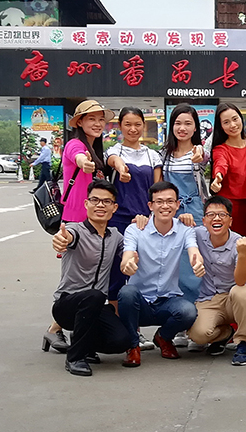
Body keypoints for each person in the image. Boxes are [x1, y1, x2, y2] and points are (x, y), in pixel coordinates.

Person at [44, 99, 114, 353]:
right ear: (80, 122)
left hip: (93, 222)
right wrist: (85, 163)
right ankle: (54, 329)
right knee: (73, 279)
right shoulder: (76, 145)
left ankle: (73, 328)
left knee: (89, 275)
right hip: (75, 223)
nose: (97, 123)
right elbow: (79, 157)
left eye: (100, 119)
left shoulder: (96, 149)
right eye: (91, 119)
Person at [117, 181, 205, 368]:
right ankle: (133, 346)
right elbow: (127, 256)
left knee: (188, 311)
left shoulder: (185, 230)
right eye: (159, 202)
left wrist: (197, 263)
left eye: (170, 201)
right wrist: (128, 265)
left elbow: (193, 250)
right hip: (140, 302)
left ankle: (163, 337)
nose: (165, 206)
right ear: (150, 205)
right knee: (127, 292)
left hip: (167, 300)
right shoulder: (135, 229)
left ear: (178, 204)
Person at [50, 179, 131, 376]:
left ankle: (83, 343)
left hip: (95, 308)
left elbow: (129, 252)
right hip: (67, 305)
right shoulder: (76, 230)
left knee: (121, 341)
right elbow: (66, 237)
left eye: (106, 201)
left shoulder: (115, 236)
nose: (100, 205)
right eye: (95, 200)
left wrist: (131, 258)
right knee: (94, 295)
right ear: (86, 204)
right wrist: (61, 240)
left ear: (114, 207)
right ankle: (75, 357)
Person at [104, 108, 163, 330]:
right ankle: (121, 328)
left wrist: (153, 217)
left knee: (141, 272)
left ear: (143, 126)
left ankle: (135, 327)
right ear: (120, 126)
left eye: (137, 124)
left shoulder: (152, 155)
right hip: (118, 220)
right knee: (117, 272)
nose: (133, 129)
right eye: (127, 124)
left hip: (144, 221)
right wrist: (121, 169)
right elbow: (114, 161)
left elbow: (157, 189)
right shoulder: (114, 150)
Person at [187, 195, 246, 366]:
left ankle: (243, 343)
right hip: (208, 299)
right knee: (198, 335)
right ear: (204, 220)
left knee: (242, 292)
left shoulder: (240, 242)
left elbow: (240, 281)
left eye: (222, 215)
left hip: (233, 299)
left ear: (230, 221)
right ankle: (226, 334)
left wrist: (242, 254)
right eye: (211, 215)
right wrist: (183, 218)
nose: (216, 218)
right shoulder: (196, 235)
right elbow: (173, 228)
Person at [209, 103, 246, 237]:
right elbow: (221, 163)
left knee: (245, 246)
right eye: (226, 122)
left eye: (235, 119)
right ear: (221, 126)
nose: (232, 125)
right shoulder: (220, 149)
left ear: (241, 119)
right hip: (227, 207)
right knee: (225, 245)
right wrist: (218, 177)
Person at [161, 103, 207, 222]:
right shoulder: (163, 154)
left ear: (195, 127)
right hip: (168, 210)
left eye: (188, 124)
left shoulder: (198, 152)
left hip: (194, 212)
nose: (182, 128)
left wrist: (199, 150)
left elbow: (202, 154)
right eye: (178, 123)